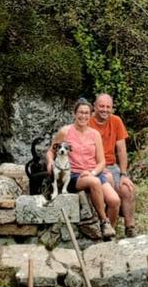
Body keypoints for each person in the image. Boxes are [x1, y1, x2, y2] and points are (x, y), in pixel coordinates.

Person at [47, 98, 120, 240]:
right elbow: (51, 151)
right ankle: (104, 221)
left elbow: (101, 162)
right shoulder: (65, 132)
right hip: (72, 174)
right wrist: (50, 163)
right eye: (80, 112)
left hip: (92, 172)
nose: (83, 116)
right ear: (74, 114)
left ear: (91, 115)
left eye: (87, 113)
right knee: (94, 182)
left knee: (114, 201)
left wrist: (92, 172)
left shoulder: (95, 134)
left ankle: (109, 234)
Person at [88, 93, 138, 238]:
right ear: (95, 107)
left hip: (112, 165)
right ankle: (109, 230)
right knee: (109, 186)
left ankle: (130, 228)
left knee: (127, 189)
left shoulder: (116, 121)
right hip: (94, 166)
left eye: (108, 107)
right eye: (101, 106)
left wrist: (123, 174)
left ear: (112, 108)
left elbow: (121, 149)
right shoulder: (88, 122)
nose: (104, 109)